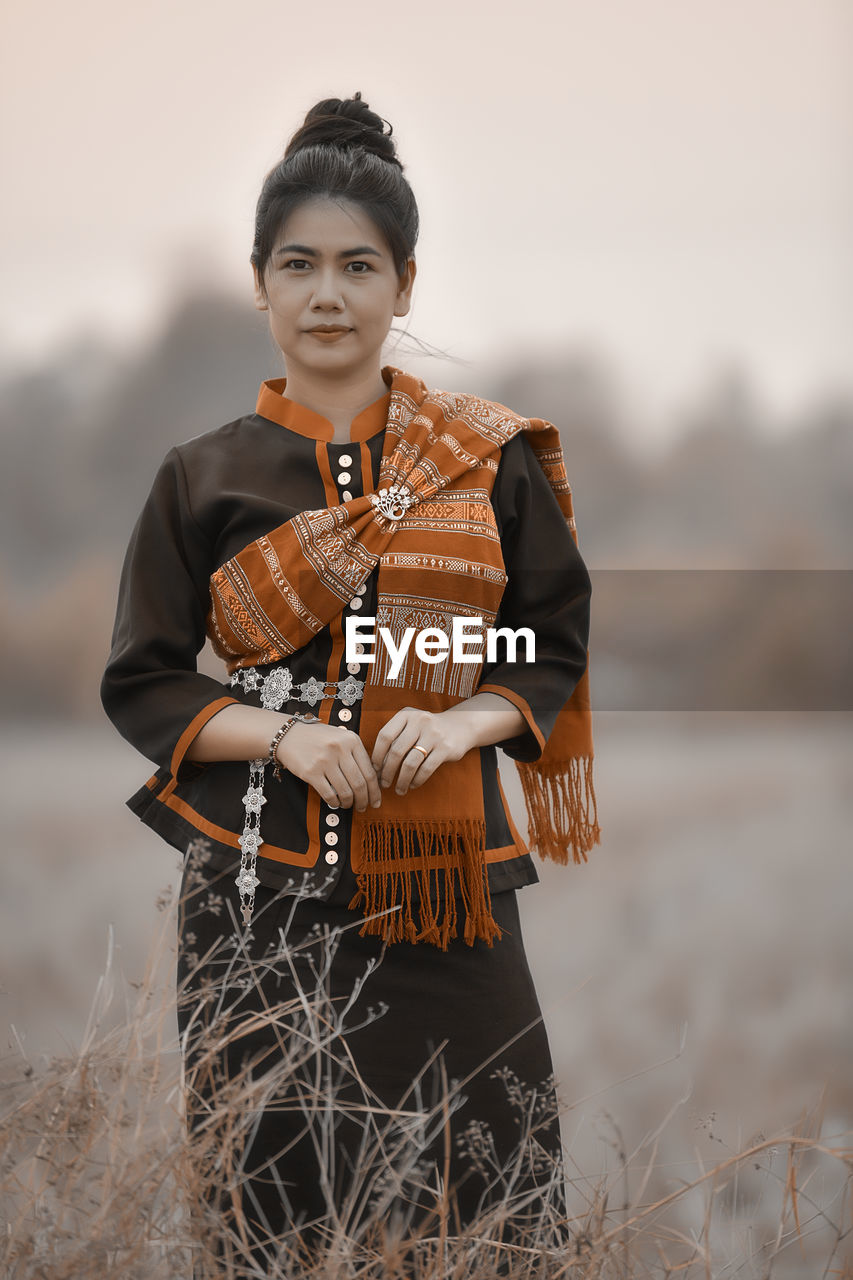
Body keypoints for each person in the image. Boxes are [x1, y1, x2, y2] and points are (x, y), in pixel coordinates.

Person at [100, 92, 600, 1276]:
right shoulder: (200, 474)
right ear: (260, 284)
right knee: (271, 1214)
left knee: (501, 1200)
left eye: (358, 266)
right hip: (258, 894)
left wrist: (472, 715)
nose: (329, 293)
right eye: (300, 264)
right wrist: (280, 738)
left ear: (406, 285)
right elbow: (145, 678)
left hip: (450, 884)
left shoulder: (488, 458)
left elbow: (552, 634)